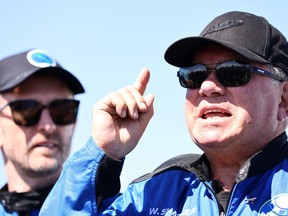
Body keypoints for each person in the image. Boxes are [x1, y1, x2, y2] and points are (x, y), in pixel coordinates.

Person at [40, 11, 288, 215]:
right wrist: (104, 151)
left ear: (283, 100)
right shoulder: (151, 194)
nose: (207, 87)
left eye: (233, 72)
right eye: (194, 75)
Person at [0, 48, 85, 215]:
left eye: (62, 111)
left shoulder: (111, 209)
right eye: (27, 111)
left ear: (74, 125)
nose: (48, 126)